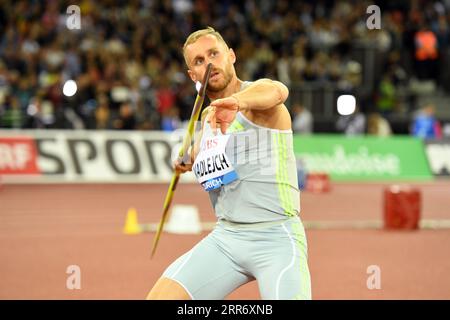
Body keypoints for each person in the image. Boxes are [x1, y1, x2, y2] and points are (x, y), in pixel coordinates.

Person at [147, 27, 311, 300]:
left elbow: (277, 90)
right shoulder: (209, 121)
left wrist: (233, 102)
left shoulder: (258, 101)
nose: (208, 63)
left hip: (277, 238)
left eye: (214, 53)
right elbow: (196, 155)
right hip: (226, 239)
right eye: (198, 61)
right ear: (192, 75)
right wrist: (186, 161)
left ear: (231, 56)